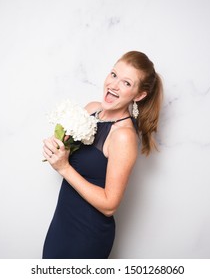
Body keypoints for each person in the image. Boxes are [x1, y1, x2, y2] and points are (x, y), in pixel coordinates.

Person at [42, 51, 163, 259]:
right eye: (114, 74)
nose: (114, 85)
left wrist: (64, 168)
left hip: (87, 236)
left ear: (139, 95)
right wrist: (57, 146)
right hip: (62, 225)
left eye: (126, 83)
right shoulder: (91, 109)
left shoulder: (123, 136)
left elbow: (110, 205)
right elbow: (68, 154)